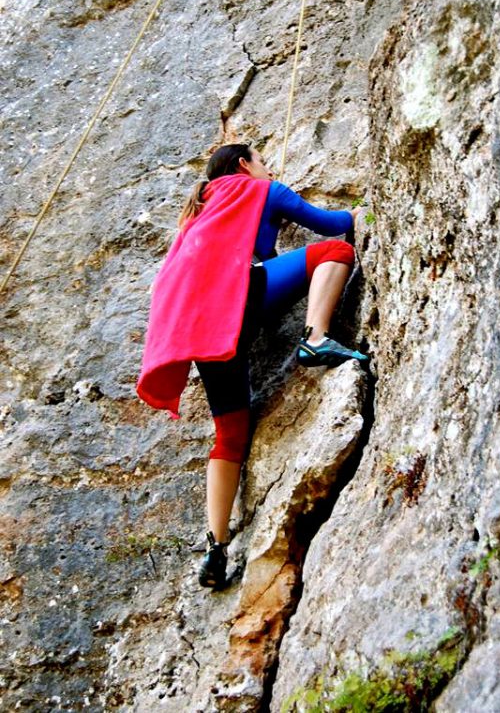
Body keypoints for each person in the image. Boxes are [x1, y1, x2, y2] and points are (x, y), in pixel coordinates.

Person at [136, 143, 367, 589]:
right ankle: (315, 339)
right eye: (262, 160)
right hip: (243, 296)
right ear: (244, 165)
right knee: (333, 253)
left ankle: (216, 547)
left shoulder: (199, 212)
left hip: (204, 329)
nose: (268, 168)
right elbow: (334, 225)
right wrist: (364, 211)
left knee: (230, 437)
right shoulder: (263, 191)